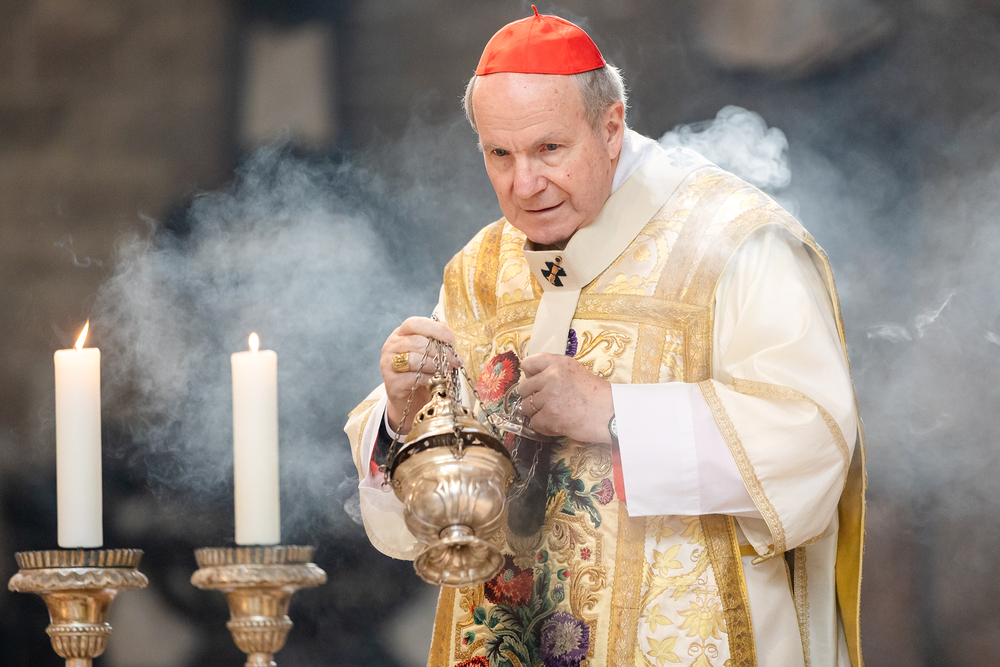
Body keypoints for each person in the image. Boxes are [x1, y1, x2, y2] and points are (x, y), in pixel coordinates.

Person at [345, 8, 865, 667]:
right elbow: (418, 526)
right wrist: (402, 416)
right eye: (500, 155)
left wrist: (618, 414)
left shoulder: (734, 242)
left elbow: (811, 439)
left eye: (549, 149)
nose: (524, 184)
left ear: (611, 128)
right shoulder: (480, 272)